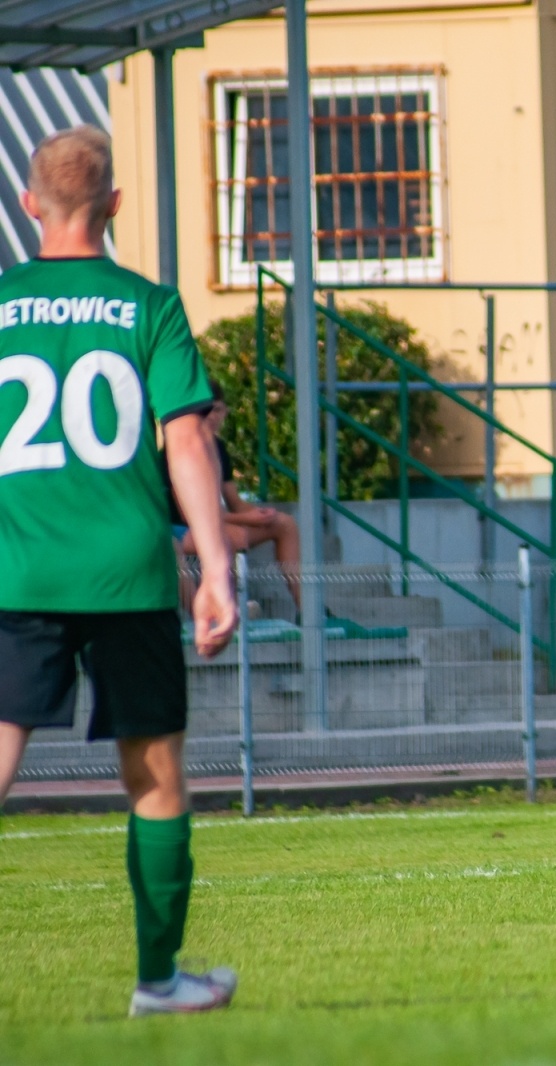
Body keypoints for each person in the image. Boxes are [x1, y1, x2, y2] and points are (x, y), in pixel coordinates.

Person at [0, 127, 240, 1011]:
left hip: (14, 574)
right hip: (127, 576)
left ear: (30, 205)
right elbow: (187, 443)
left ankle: (162, 981)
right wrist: (215, 568)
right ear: (115, 205)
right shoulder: (151, 306)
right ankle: (156, 980)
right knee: (155, 774)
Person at [169, 380, 301, 613]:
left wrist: (259, 514)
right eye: (205, 410)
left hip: (211, 522)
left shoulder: (218, 447)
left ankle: (309, 609)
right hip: (179, 528)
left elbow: (235, 502)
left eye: (218, 410)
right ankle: (227, 609)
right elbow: (189, 514)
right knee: (229, 537)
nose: (211, 416)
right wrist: (248, 520)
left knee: (284, 524)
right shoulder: (180, 448)